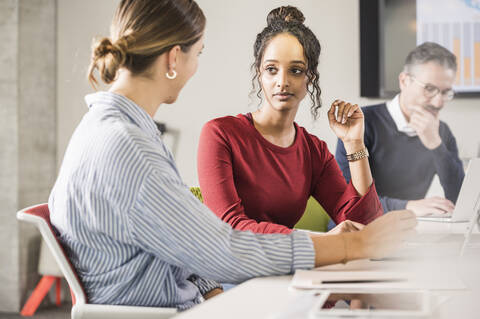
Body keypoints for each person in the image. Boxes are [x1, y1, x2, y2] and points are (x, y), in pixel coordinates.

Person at [49, 0, 416, 311]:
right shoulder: (129, 147)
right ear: (175, 57)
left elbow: (186, 241)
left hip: (192, 295)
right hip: (167, 310)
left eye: (296, 71)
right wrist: (347, 244)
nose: (281, 82)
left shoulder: (116, 130)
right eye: (199, 54)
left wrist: (212, 289)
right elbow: (221, 245)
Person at [197, 6, 382, 234]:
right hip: (226, 267)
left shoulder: (314, 151)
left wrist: (355, 144)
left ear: (310, 78)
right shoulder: (220, 134)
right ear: (259, 74)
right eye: (271, 69)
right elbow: (229, 228)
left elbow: (365, 227)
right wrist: (317, 242)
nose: (282, 81)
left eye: (295, 70)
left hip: (287, 267)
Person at [336, 42, 465, 216]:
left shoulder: (441, 132)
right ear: (404, 81)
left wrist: (436, 145)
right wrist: (407, 206)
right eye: (429, 89)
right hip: (355, 229)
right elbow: (349, 201)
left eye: (445, 92)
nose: (438, 102)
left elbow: (461, 199)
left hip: (405, 232)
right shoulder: (361, 124)